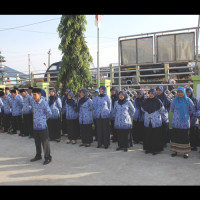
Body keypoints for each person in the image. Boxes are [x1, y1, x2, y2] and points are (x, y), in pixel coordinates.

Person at [170, 87, 195, 159]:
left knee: (185, 137)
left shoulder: (188, 100)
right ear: (177, 93)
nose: (180, 93)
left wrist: (185, 114)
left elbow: (192, 109)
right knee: (175, 136)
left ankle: (185, 152)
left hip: (184, 122)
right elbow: (172, 109)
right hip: (176, 121)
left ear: (184, 92)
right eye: (178, 92)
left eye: (181, 92)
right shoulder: (174, 100)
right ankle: (174, 151)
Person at [30, 88, 52, 165]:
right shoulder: (33, 102)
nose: (34, 96)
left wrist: (43, 119)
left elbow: (49, 113)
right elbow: (33, 111)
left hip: (42, 126)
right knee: (37, 142)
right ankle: (38, 155)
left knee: (45, 142)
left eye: (35, 95)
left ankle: (48, 157)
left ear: (39, 95)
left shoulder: (44, 103)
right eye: (33, 95)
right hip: (35, 126)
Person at [141, 88, 164, 155]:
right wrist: (148, 113)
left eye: (152, 93)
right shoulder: (146, 101)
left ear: (155, 94)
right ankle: (148, 149)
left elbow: (162, 110)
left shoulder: (158, 101)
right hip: (148, 120)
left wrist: (155, 114)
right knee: (148, 135)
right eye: (149, 93)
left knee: (155, 135)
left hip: (156, 121)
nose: (150, 95)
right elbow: (142, 108)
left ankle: (156, 149)